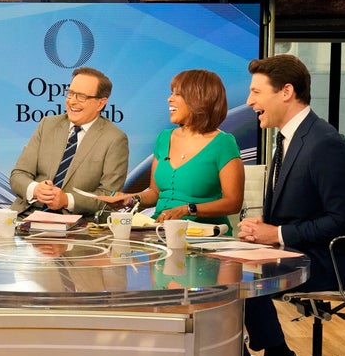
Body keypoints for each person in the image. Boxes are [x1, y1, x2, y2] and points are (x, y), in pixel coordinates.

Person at [237, 54, 345, 356]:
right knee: (226, 263)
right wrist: (261, 229)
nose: (250, 101)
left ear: (286, 92)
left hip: (330, 263)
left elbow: (342, 221)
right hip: (297, 252)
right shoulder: (288, 139)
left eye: (256, 92)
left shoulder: (324, 143)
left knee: (242, 275)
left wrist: (277, 235)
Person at [96, 69, 244, 233]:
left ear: (199, 99)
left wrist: (188, 209)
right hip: (159, 230)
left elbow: (233, 203)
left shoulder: (223, 143)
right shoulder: (164, 138)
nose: (169, 99)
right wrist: (130, 199)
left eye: (177, 94)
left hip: (203, 235)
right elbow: (155, 193)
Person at [9, 67, 129, 218]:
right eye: (71, 93)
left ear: (101, 103)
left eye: (81, 97)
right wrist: (35, 189)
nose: (72, 101)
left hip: (77, 225)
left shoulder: (114, 139)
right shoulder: (48, 125)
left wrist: (67, 200)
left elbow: (109, 197)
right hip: (26, 216)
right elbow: (18, 174)